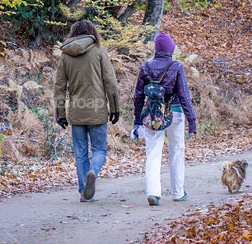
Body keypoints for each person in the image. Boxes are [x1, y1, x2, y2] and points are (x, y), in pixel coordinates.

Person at [54, 19, 120, 202]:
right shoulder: (99, 51)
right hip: (97, 110)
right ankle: (93, 171)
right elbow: (110, 82)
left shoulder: (66, 55)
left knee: (80, 152)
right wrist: (115, 108)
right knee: (99, 150)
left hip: (77, 111)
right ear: (92, 32)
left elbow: (59, 86)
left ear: (73, 33)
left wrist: (60, 113)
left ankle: (84, 191)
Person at [132, 31, 197, 206]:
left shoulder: (146, 66)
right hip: (175, 113)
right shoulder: (176, 67)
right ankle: (178, 192)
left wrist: (137, 121)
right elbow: (184, 95)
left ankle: (153, 193)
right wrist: (192, 121)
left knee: (153, 153)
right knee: (177, 151)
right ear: (171, 49)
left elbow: (138, 96)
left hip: (152, 115)